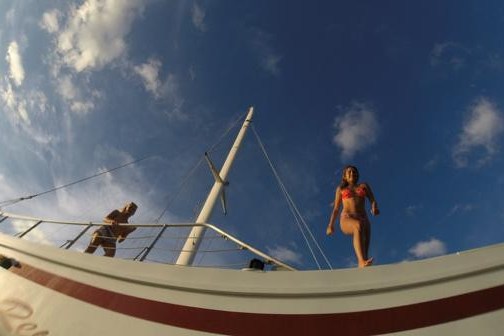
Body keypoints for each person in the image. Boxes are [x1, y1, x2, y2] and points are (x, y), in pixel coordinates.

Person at [327, 166, 380, 268]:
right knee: (357, 226)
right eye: (349, 172)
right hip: (347, 217)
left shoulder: (364, 186)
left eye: (354, 172)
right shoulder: (341, 189)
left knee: (365, 254)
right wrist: (331, 225)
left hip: (364, 219)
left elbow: (372, 199)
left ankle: (363, 265)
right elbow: (336, 209)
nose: (352, 173)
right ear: (345, 176)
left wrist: (374, 207)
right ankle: (360, 261)